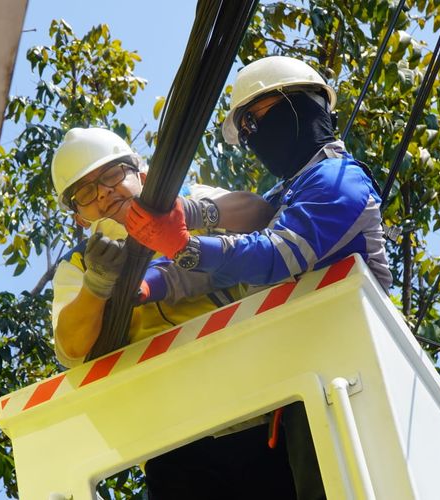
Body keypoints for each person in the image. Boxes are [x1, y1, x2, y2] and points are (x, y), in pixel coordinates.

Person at [124, 55, 394, 499]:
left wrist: (185, 245)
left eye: (254, 119)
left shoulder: (340, 180)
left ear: (299, 104)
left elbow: (276, 254)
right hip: (301, 391)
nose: (251, 138)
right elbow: (224, 259)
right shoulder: (285, 196)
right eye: (243, 129)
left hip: (353, 380)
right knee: (180, 466)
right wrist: (151, 282)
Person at [49, 127, 296, 499]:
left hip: (259, 411)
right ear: (79, 217)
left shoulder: (188, 203)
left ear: (140, 174)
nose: (102, 193)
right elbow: (71, 347)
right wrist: (98, 285)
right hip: (173, 444)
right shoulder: (79, 266)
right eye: (85, 192)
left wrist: (191, 215)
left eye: (111, 175)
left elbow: (261, 213)